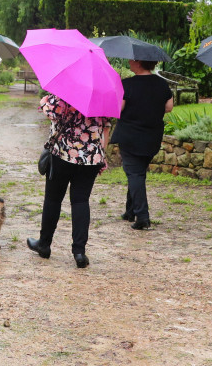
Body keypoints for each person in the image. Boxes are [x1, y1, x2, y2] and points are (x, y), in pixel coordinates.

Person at [27, 93, 111, 268]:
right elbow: (105, 129)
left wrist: (45, 99)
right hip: (90, 158)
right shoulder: (101, 97)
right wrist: (101, 155)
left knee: (53, 199)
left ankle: (44, 244)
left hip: (63, 154)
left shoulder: (65, 92)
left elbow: (51, 113)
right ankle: (79, 252)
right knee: (81, 201)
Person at [110, 59, 173, 230]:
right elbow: (169, 107)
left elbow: (118, 108)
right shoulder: (162, 84)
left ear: (138, 63)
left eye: (132, 60)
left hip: (130, 136)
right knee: (137, 173)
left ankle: (142, 216)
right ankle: (130, 211)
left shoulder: (128, 84)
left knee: (134, 174)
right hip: (152, 136)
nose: (129, 61)